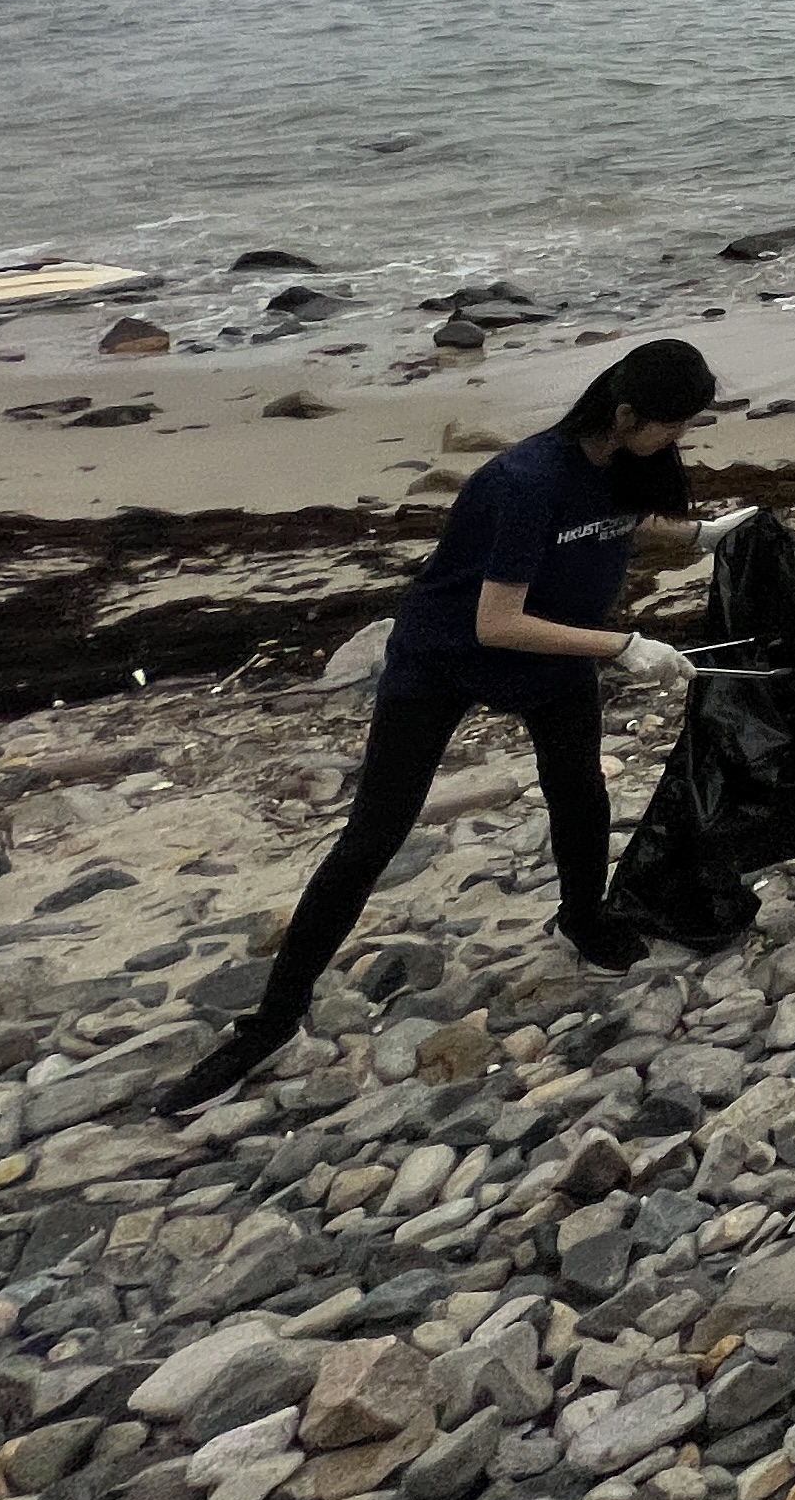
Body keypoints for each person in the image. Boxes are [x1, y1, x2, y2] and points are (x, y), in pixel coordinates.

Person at [153, 340, 735, 1114]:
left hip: (555, 655)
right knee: (373, 836)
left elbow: (605, 526)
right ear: (627, 414)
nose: (679, 441)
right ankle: (274, 1021)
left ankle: (583, 921)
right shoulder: (522, 480)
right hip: (446, 659)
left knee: (578, 792)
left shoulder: (616, 466)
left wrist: (704, 536)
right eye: (674, 426)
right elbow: (496, 622)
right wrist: (626, 647)